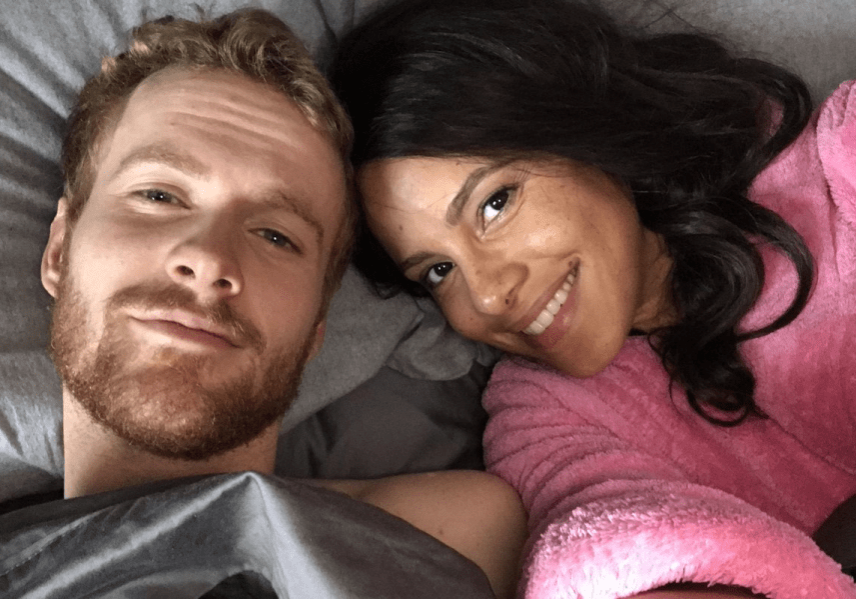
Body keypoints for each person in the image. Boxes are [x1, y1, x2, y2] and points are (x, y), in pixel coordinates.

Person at [330, 0, 856, 596]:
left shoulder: (841, 160)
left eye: (494, 204)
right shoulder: (543, 418)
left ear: (586, 131)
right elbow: (604, 550)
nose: (490, 294)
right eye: (438, 270)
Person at [34, 9, 525, 598]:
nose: (209, 258)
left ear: (318, 323)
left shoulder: (441, 536)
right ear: (60, 250)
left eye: (275, 235)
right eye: (159, 195)